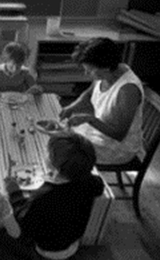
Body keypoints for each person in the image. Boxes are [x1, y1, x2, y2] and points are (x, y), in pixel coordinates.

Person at [3, 132, 104, 260]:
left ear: (54, 164)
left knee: (2, 235)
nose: (46, 156)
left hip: (47, 256)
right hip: (71, 246)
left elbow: (22, 222)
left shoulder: (45, 195)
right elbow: (99, 185)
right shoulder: (91, 182)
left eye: (49, 154)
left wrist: (14, 193)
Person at [59, 37, 144, 165]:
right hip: (100, 133)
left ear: (106, 67)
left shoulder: (127, 90)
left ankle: (76, 181)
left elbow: (119, 134)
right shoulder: (108, 72)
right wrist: (71, 107)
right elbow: (88, 94)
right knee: (60, 136)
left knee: (64, 149)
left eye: (89, 70)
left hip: (119, 148)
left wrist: (89, 119)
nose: (86, 73)